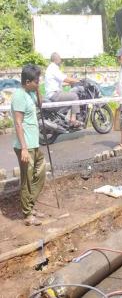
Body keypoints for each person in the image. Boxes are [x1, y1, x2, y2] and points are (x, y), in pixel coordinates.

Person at [11, 65, 46, 226]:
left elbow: (40, 105)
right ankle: (27, 214)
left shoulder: (30, 93)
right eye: (36, 80)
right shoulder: (19, 96)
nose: (38, 82)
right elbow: (18, 123)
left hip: (34, 143)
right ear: (27, 81)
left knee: (40, 173)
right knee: (26, 179)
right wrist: (24, 148)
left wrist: (38, 90)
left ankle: (31, 205)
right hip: (25, 146)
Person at [44, 52, 81, 127]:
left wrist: (69, 83)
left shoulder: (50, 68)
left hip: (52, 94)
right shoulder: (53, 68)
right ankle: (73, 119)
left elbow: (60, 82)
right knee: (74, 96)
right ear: (57, 59)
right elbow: (64, 78)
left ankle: (67, 118)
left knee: (69, 96)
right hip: (55, 94)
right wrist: (77, 80)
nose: (61, 61)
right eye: (60, 59)